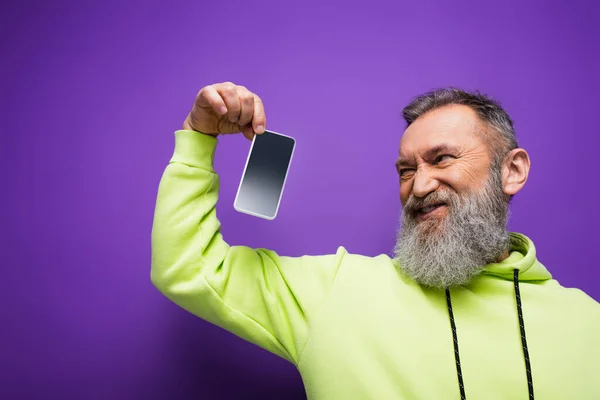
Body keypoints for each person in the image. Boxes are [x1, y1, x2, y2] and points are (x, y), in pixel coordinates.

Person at [151, 82, 600, 399]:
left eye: (441, 158)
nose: (420, 185)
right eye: (407, 170)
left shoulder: (588, 324)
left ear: (512, 171)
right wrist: (198, 133)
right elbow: (189, 266)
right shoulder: (336, 291)